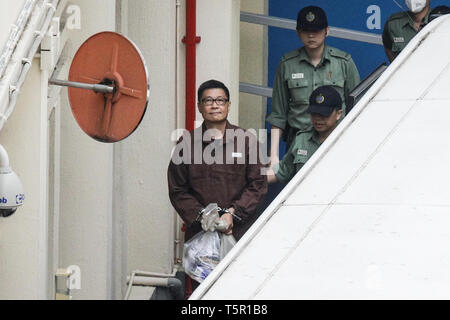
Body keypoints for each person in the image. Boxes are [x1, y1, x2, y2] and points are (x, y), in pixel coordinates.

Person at [167, 79, 268, 293]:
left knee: (241, 292)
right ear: (199, 106)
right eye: (208, 100)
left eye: (220, 100)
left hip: (239, 235)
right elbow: (177, 189)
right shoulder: (186, 145)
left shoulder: (246, 141)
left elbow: (258, 184)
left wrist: (233, 212)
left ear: (228, 105)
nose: (215, 105)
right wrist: (203, 215)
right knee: (205, 294)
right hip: (201, 238)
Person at [267, 5, 360, 167]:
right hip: (298, 144)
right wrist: (274, 155)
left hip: (335, 140)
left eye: (316, 30)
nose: (311, 35)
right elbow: (278, 114)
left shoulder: (343, 62)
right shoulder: (287, 64)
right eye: (305, 30)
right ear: (298, 32)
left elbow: (357, 107)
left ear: (327, 31)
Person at [267, 86, 343, 184]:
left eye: (324, 114)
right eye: (314, 113)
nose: (318, 119)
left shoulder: (347, 140)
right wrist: (252, 179)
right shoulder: (302, 139)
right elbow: (282, 171)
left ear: (338, 114)